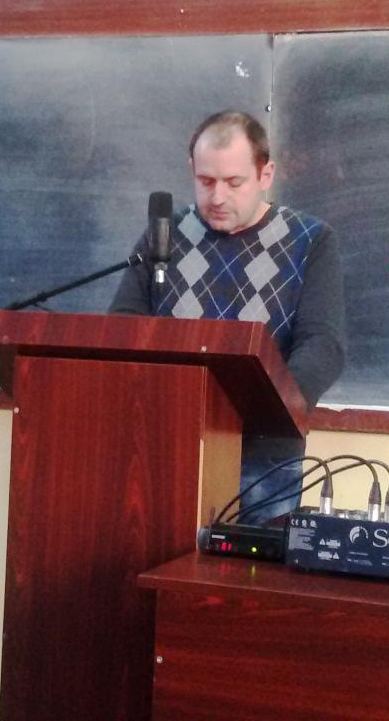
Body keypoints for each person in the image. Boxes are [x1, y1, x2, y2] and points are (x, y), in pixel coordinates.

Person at [109, 110, 346, 523]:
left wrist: (260, 411)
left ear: (266, 174)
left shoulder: (310, 241)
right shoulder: (165, 237)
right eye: (206, 181)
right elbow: (123, 327)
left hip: (263, 462)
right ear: (192, 170)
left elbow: (323, 346)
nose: (217, 197)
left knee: (250, 567)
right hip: (162, 449)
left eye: (234, 183)